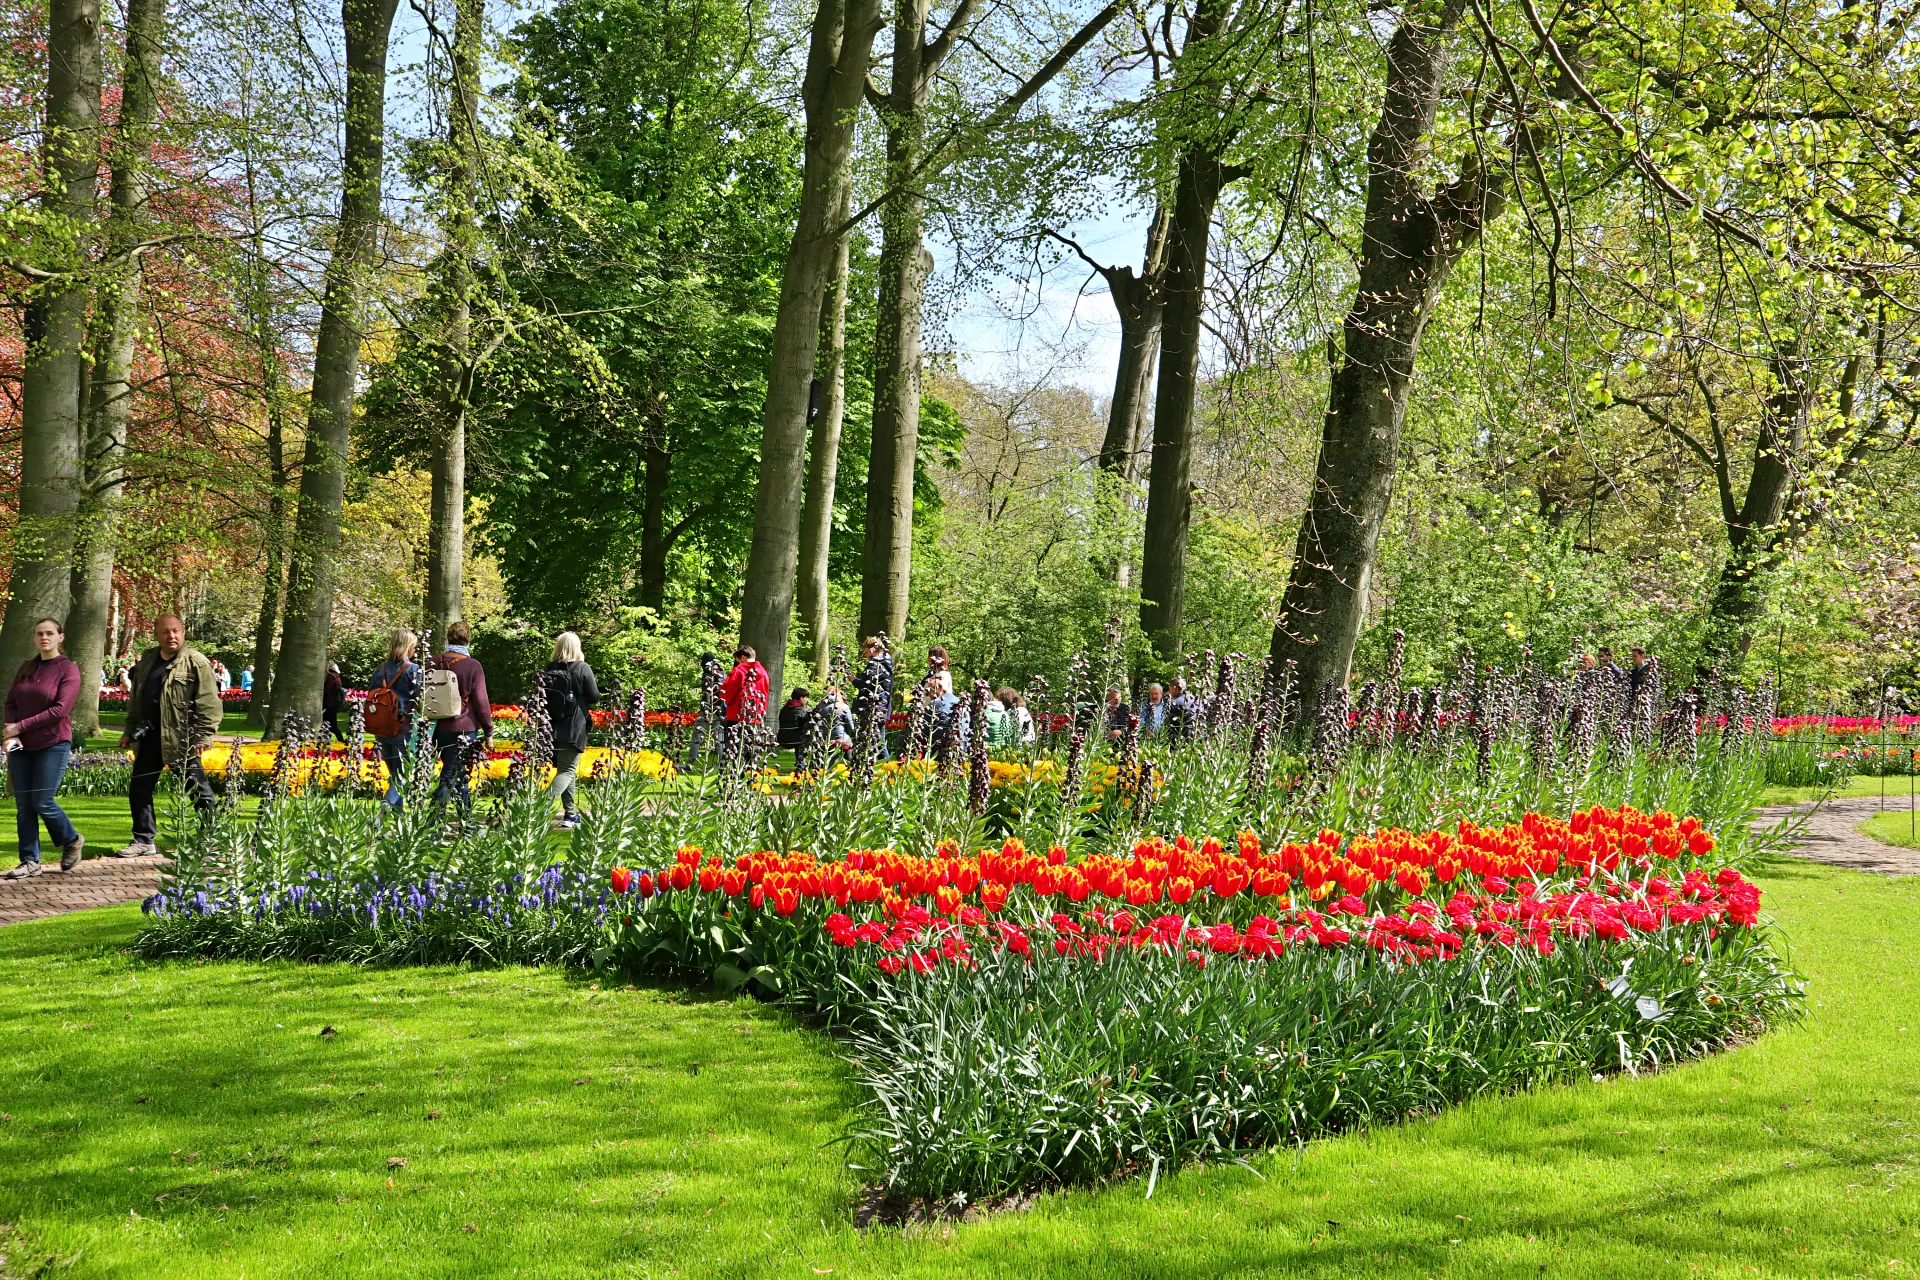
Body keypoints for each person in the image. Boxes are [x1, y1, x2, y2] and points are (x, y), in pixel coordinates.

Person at [116, 615, 222, 857]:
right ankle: (143, 840)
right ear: (156, 635)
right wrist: (129, 732)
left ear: (182, 632)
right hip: (149, 739)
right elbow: (136, 700)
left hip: (182, 740)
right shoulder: (147, 660)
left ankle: (212, 838)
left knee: (198, 790)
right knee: (139, 790)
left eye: (175, 631)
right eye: (165, 632)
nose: (171, 636)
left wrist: (203, 736)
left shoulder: (196, 662)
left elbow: (209, 703)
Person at [1, 618, 84, 879]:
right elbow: (11, 703)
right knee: (24, 805)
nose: (44, 638)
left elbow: (60, 710)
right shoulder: (27, 667)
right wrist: (10, 732)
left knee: (42, 802)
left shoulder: (68, 669)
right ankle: (29, 861)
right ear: (34, 638)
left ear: (61, 637)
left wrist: (20, 726)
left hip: (53, 743)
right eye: (39, 634)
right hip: (20, 745)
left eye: (49, 633)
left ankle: (72, 839)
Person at [429, 621, 491, 814]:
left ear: (448, 638)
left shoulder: (432, 661)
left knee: (457, 773)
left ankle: (467, 821)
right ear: (468, 639)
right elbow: (481, 700)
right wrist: (488, 730)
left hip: (435, 727)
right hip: (463, 727)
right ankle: (433, 821)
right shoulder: (472, 665)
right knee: (451, 775)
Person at [542, 631, 599, 829]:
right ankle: (539, 808)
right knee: (567, 771)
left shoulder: (549, 669)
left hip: (551, 725)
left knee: (566, 770)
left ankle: (570, 815)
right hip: (573, 726)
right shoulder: (582, 668)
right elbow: (594, 696)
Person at [366, 628, 419, 807]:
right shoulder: (413, 669)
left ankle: (398, 820)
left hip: (381, 729)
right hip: (403, 729)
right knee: (400, 777)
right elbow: (420, 699)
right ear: (408, 647)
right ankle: (384, 808)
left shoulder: (380, 669)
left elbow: (371, 694)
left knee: (395, 776)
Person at [718, 645, 770, 765]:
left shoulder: (739, 670)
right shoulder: (763, 672)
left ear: (742, 658)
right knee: (749, 746)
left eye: (737, 660)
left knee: (734, 746)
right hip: (755, 715)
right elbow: (765, 693)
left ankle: (736, 771)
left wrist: (723, 700)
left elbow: (727, 691)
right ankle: (749, 770)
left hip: (736, 714)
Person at [851, 637, 895, 757]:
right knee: (876, 740)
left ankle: (888, 766)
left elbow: (867, 685)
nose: (865, 655)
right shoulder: (887, 663)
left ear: (872, 649)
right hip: (882, 707)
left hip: (875, 708)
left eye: (866, 651)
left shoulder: (876, 664)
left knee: (879, 741)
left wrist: (853, 680)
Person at [777, 687, 812, 767]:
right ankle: (802, 763)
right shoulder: (803, 711)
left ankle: (800, 762)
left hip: (783, 738)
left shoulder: (783, 709)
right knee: (807, 737)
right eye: (806, 698)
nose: (806, 700)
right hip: (797, 740)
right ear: (801, 698)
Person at [322, 662, 346, 743]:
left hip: (328, 703)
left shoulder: (330, 676)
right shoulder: (336, 675)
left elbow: (327, 690)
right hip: (333, 703)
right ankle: (334, 740)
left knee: (329, 724)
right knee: (331, 724)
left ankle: (339, 741)